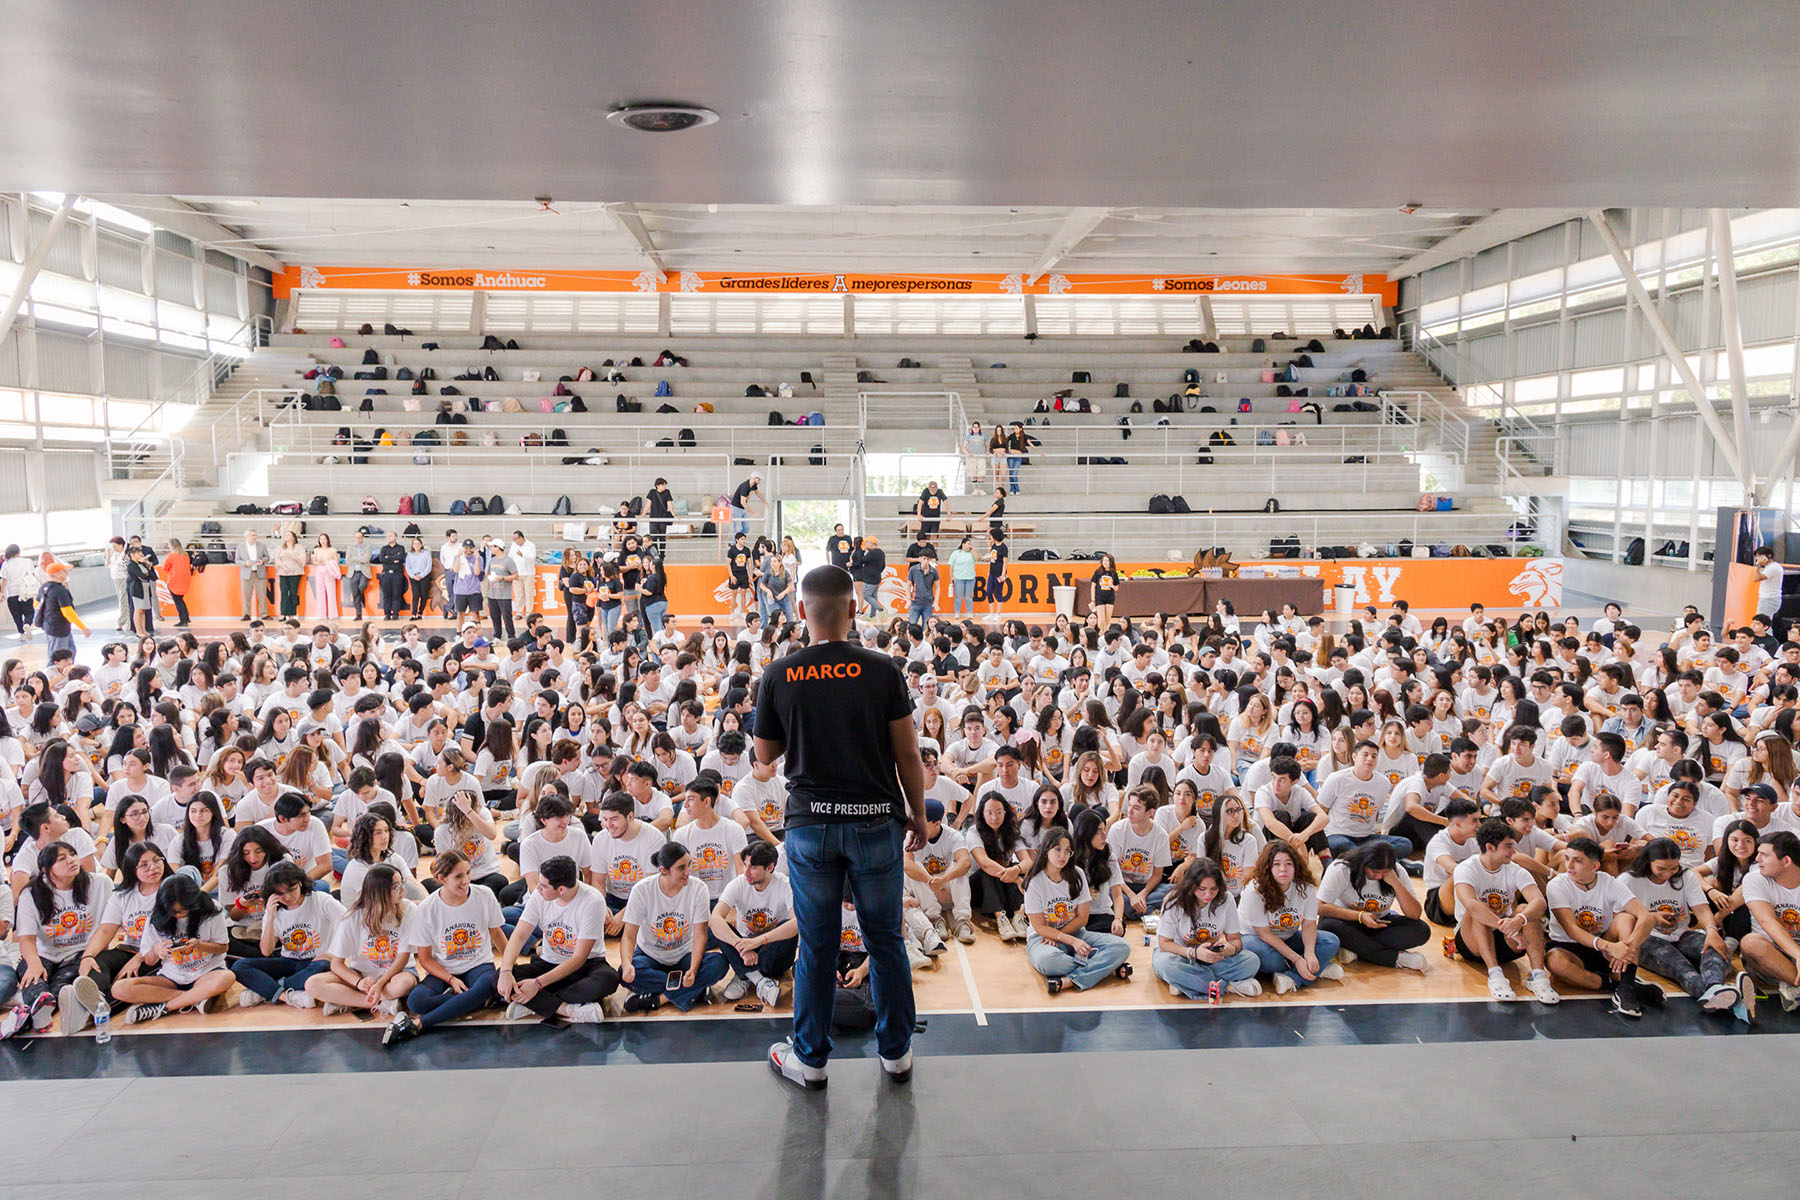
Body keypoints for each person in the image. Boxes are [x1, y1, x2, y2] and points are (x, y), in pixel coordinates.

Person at [756, 563, 926, 1091]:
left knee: (817, 943)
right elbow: (907, 752)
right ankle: (895, 1052)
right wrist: (918, 814)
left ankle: (809, 1059)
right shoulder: (882, 670)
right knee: (885, 941)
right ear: (855, 608)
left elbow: (764, 755)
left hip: (811, 827)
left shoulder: (781, 673)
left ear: (801, 611)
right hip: (876, 824)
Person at [385, 850, 507, 1045]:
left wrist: (509, 969)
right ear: (442, 878)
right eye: (458, 876)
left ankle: (419, 1024)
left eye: (468, 873)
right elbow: (425, 959)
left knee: (485, 984)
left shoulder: (484, 895)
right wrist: (450, 979)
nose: (466, 880)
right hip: (444, 970)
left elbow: (497, 934)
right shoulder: (427, 908)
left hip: (479, 965)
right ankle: (481, 999)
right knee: (416, 1001)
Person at [1620, 837, 1745, 1017]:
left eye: (1673, 868)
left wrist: (1711, 931)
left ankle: (1715, 989)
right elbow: (1621, 918)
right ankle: (1723, 999)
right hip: (1647, 938)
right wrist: (1652, 918)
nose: (1668, 874)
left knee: (1719, 950)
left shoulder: (1686, 876)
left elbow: (1701, 909)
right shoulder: (1629, 880)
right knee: (1680, 967)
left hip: (1682, 934)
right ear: (1648, 862)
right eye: (1661, 869)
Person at [497, 854, 618, 1025]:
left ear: (561, 889)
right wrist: (505, 971)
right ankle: (567, 1009)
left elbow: (578, 959)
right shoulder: (539, 895)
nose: (537, 888)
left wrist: (537, 985)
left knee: (608, 979)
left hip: (585, 965)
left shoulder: (593, 900)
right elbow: (519, 935)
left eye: (544, 886)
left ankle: (534, 1003)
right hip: (548, 962)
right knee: (497, 978)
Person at [1545, 837, 1657, 1017]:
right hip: (1570, 947)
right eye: (1567, 858)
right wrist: (1610, 947)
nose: (1569, 865)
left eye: (1577, 860)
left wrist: (1630, 945)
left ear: (1595, 866)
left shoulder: (1610, 882)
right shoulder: (1557, 885)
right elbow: (1572, 930)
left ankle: (1626, 989)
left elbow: (1647, 917)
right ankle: (1621, 986)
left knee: (1626, 919)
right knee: (1555, 962)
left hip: (1605, 944)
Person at [1451, 818, 1561, 1004]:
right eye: (1508, 846)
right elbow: (1470, 904)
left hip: (1509, 939)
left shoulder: (1515, 870)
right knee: (1478, 908)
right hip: (1471, 942)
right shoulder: (1466, 868)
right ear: (1490, 847)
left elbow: (1539, 901)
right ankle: (1495, 975)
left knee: (1527, 909)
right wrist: (1505, 927)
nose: (1513, 852)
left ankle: (1538, 976)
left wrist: (1519, 920)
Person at [107, 874, 236, 1024]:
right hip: (171, 977)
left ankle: (165, 1007)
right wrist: (157, 950)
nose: (177, 915)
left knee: (227, 977)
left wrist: (200, 945)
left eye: (181, 911)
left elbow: (223, 948)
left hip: (206, 972)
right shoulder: (156, 917)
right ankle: (194, 999)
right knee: (119, 989)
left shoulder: (211, 909)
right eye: (172, 912)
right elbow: (149, 961)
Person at [1020, 827, 1132, 994]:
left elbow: (1082, 918)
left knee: (1122, 947)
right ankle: (1106, 970)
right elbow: (1039, 927)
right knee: (1048, 961)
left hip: (1075, 932)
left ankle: (1070, 980)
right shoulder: (1035, 882)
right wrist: (1069, 941)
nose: (1062, 856)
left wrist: (1064, 938)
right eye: (1057, 849)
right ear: (1045, 851)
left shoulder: (1077, 874)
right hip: (1042, 939)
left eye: (1067, 851)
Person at [619, 843, 728, 1013]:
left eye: (689, 865)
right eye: (681, 868)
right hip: (650, 955)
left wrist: (692, 969)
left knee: (719, 963)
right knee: (627, 973)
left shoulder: (699, 888)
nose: (688, 872)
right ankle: (694, 989)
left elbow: (700, 936)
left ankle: (659, 999)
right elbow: (628, 937)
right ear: (664, 870)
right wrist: (627, 965)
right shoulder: (641, 890)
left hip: (685, 955)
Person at [1236, 840, 1343, 993]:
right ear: (1267, 867)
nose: (1283, 869)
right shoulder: (1254, 890)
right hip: (1257, 940)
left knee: (1330, 941)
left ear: (1296, 866)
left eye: (1288, 864)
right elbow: (1264, 934)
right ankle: (1315, 969)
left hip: (1288, 938)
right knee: (1261, 954)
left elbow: (1309, 924)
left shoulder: (1305, 887)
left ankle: (1292, 977)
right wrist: (1297, 959)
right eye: (1276, 864)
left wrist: (1310, 952)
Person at [1154, 857, 1264, 1000]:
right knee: (1166, 965)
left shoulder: (1226, 899)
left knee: (1251, 961)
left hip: (1211, 957)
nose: (1208, 895)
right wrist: (1193, 953)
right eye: (1202, 889)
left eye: (1214, 889)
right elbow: (1164, 944)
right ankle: (1227, 986)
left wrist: (1230, 949)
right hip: (1180, 955)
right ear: (1191, 885)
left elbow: (1236, 940)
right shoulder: (1174, 901)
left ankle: (1188, 983)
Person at [1316, 841, 1430, 972]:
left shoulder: (1397, 872)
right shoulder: (1341, 868)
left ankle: (1356, 948)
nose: (1380, 876)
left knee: (1421, 930)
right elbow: (1319, 907)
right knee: (1327, 927)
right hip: (1347, 921)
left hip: (1379, 923)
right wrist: (1360, 915)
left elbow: (1414, 914)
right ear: (1364, 864)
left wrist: (1396, 884)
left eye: (1385, 872)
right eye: (1375, 872)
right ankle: (1394, 958)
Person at [712, 839, 798, 1007]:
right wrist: (741, 948)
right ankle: (760, 981)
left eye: (753, 867)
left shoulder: (785, 885)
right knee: (722, 928)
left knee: (787, 926)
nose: (746, 872)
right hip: (745, 950)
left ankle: (745, 974)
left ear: (770, 867)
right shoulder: (738, 884)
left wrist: (757, 941)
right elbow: (714, 919)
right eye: (745, 865)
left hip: (773, 954)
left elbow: (797, 924)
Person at [1740, 829, 1800, 1011]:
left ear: (1786, 861)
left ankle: (1793, 986)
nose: (1757, 858)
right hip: (1773, 953)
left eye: (1764, 855)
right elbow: (1768, 922)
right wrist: (1798, 955)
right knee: (1750, 943)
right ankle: (1794, 982)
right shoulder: (1754, 879)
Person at [31, 561, 87, 660]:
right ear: (57, 574)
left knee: (70, 651)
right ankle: (52, 674)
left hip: (51, 626)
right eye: (64, 571)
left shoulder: (44, 587)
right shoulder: (60, 590)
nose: (67, 573)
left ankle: (67, 672)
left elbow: (36, 605)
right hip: (59, 628)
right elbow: (68, 612)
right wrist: (83, 628)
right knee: (58, 658)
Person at [233, 529, 271, 621]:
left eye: (255, 535)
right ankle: (246, 614)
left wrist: (262, 561)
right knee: (246, 595)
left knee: (262, 595)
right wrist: (245, 563)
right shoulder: (240, 546)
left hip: (259, 573)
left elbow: (267, 557)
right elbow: (237, 560)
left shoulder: (261, 545)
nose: (255, 537)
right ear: (247, 536)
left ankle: (264, 614)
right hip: (246, 573)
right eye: (253, 535)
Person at [274, 529, 306, 619]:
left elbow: (302, 559)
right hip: (283, 572)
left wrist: (294, 557)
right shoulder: (281, 547)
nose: (286, 536)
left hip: (295, 572)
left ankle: (292, 613)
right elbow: (277, 559)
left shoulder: (299, 547)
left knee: (293, 593)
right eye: (286, 535)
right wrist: (283, 567)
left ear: (293, 537)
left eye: (289, 535)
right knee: (284, 592)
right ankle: (283, 613)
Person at [162, 538, 194, 627]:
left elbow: (165, 568)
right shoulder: (185, 555)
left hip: (174, 581)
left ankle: (183, 619)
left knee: (178, 601)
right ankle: (186, 617)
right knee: (180, 599)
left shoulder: (171, 556)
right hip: (184, 580)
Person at [309, 533, 342, 620]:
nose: (323, 541)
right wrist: (321, 563)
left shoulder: (333, 550)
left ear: (328, 540)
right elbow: (314, 561)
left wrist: (329, 563)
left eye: (324, 539)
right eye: (321, 539)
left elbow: (336, 561)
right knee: (320, 593)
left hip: (329, 572)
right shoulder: (317, 550)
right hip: (320, 571)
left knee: (331, 593)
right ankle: (321, 614)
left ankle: (333, 614)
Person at [342, 528, 372, 621]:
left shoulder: (367, 547)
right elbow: (348, 560)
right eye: (356, 537)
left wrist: (354, 558)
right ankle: (358, 614)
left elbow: (366, 559)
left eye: (359, 537)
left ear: (363, 538)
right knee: (355, 594)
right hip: (353, 572)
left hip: (363, 572)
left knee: (362, 586)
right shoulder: (350, 547)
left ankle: (362, 596)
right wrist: (360, 559)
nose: (358, 539)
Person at [948, 536, 977, 619]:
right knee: (958, 597)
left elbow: (978, 558)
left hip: (970, 578)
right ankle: (957, 613)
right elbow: (951, 566)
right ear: (963, 544)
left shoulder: (972, 553)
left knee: (969, 597)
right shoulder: (956, 553)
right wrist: (951, 577)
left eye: (971, 544)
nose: (970, 545)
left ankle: (969, 613)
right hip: (958, 578)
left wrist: (973, 550)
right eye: (969, 544)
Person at [1090, 553, 1120, 633]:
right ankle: (1100, 634)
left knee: (1108, 619)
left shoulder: (1114, 573)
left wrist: (1112, 586)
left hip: (1110, 598)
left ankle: (1106, 634)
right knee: (1101, 619)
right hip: (1100, 597)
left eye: (1107, 561)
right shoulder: (1098, 572)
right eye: (1103, 560)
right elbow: (1093, 586)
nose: (1105, 562)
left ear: (1111, 562)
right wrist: (1093, 600)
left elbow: (1116, 588)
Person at [730, 473, 761, 539]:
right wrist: (752, 513)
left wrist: (765, 502)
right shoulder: (745, 486)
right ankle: (735, 543)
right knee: (736, 528)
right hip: (736, 507)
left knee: (746, 528)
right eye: (759, 479)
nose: (759, 481)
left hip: (742, 508)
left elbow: (757, 493)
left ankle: (739, 540)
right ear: (754, 478)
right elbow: (742, 502)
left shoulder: (752, 485)